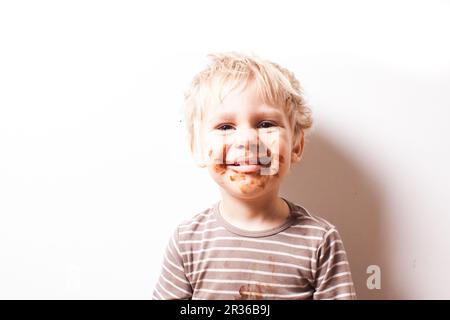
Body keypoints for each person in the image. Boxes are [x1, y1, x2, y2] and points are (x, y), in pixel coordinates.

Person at [152, 52, 356, 300]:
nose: (247, 141)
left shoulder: (320, 242)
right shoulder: (187, 242)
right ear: (197, 148)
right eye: (225, 127)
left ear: (296, 146)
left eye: (266, 124)